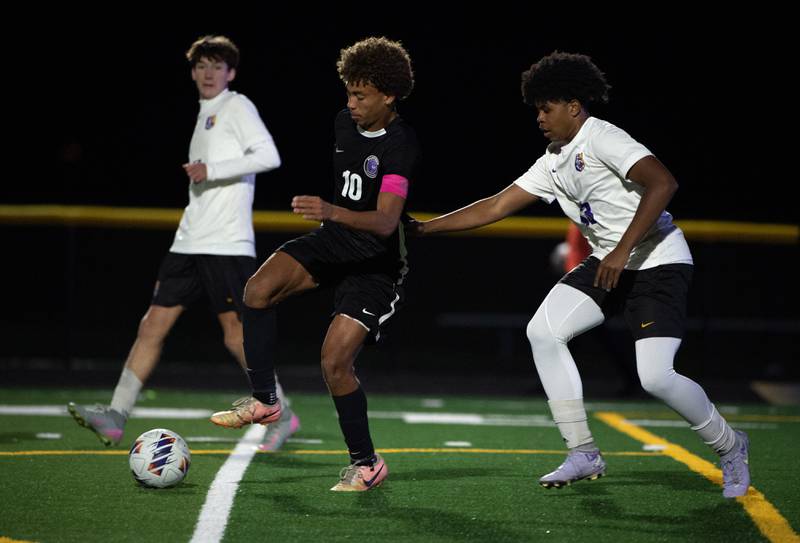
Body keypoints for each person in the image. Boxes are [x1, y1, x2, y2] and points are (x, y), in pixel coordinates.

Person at [412, 52, 750, 498]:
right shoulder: (553, 160)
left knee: (655, 377)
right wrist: (423, 228)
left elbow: (664, 183)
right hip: (610, 261)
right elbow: (495, 205)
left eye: (546, 107)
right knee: (543, 332)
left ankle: (730, 446)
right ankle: (583, 452)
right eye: (535, 109)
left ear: (574, 105)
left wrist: (622, 250)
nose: (539, 117)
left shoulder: (603, 138)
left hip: (657, 261)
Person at [68, 35, 300, 452]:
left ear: (230, 73)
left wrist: (212, 168)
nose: (208, 73)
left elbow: (269, 156)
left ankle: (280, 411)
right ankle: (116, 416)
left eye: (217, 66)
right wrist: (209, 171)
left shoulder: (236, 106)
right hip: (189, 241)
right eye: (201, 66)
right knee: (151, 325)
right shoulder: (205, 114)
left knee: (235, 336)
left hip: (226, 244)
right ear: (192, 71)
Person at [209, 36, 420, 492]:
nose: (351, 103)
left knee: (334, 364)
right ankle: (265, 401)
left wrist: (330, 211)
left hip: (375, 265)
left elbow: (385, 222)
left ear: (389, 95)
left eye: (361, 95)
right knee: (256, 291)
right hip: (335, 242)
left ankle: (367, 464)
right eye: (348, 93)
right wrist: (334, 221)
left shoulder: (401, 145)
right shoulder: (344, 122)